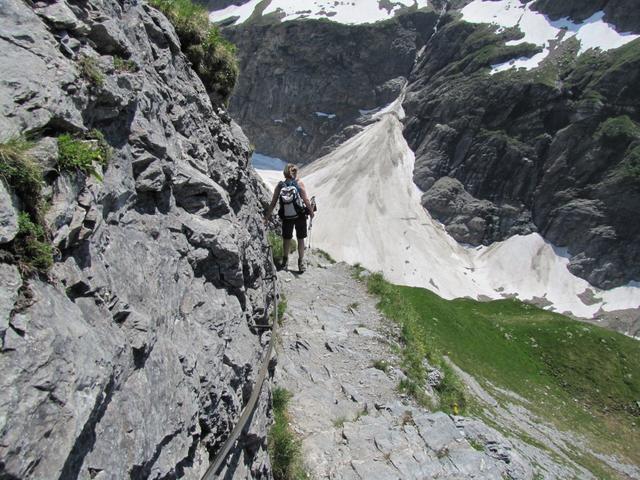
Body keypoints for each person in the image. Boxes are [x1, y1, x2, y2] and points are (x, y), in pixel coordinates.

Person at [264, 163, 314, 272]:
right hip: (300, 215)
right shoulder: (299, 183)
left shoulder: (280, 185)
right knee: (301, 239)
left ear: (284, 173)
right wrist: (311, 211)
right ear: (295, 172)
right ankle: (301, 263)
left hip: (286, 216)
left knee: (286, 239)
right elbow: (305, 200)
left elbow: (273, 203)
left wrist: (267, 217)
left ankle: (285, 262)